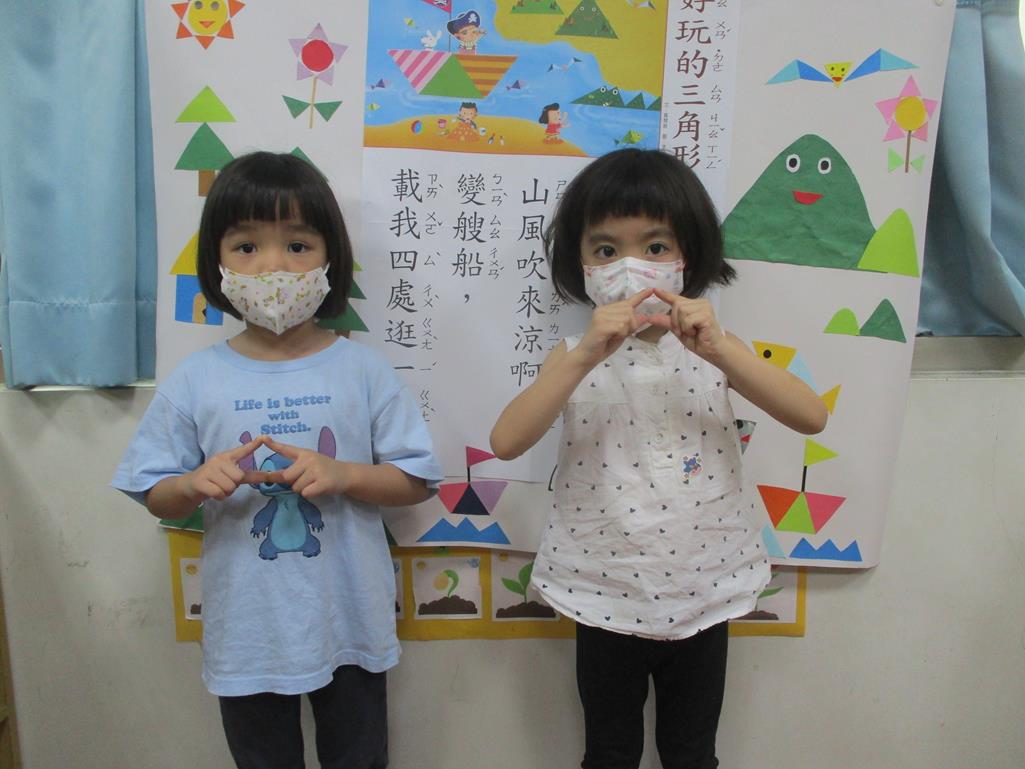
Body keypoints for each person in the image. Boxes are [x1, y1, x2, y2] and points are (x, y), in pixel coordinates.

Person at [489, 148, 827, 769]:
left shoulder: (720, 349)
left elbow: (811, 417)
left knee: (692, 754)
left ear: (687, 256)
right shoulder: (573, 355)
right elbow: (506, 441)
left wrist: (720, 350)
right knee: (609, 754)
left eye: (655, 246)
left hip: (707, 586)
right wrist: (585, 355)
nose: (631, 267)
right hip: (603, 590)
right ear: (580, 264)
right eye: (606, 250)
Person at [112, 151, 443, 769]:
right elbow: (153, 491)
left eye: (297, 245)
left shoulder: (363, 369)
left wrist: (345, 475)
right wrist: (192, 484)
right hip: (247, 637)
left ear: (330, 257)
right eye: (246, 247)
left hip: (351, 626)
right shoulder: (195, 379)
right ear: (217, 262)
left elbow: (417, 479)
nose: (272, 267)